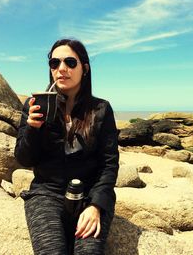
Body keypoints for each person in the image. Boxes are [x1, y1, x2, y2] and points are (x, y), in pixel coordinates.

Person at [15, 38, 119, 255]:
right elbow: (24, 159)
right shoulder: (34, 106)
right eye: (55, 63)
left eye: (70, 62)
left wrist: (96, 206)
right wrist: (33, 129)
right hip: (46, 194)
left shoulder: (101, 109)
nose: (61, 69)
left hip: (89, 196)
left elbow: (109, 164)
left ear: (85, 68)